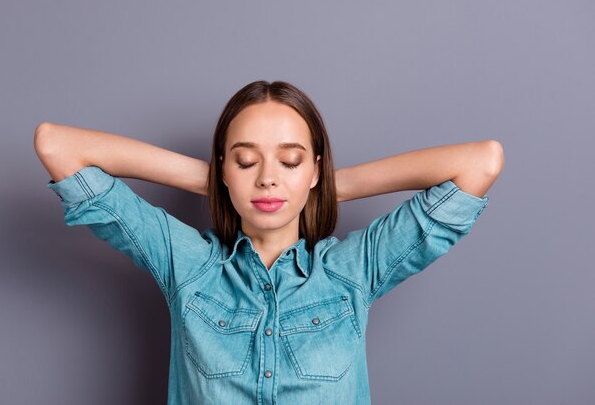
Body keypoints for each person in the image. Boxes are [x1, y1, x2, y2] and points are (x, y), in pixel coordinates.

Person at [34, 80, 504, 405]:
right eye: (245, 161)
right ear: (223, 166)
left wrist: (328, 184)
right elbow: (57, 145)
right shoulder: (187, 265)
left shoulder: (354, 269)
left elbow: (480, 162)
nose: (267, 180)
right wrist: (216, 180)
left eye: (291, 161)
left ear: (315, 167)